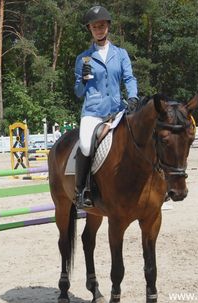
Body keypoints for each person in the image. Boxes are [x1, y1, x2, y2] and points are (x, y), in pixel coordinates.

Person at [73, 5, 139, 209]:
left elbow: (129, 78)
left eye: (102, 25)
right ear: (90, 30)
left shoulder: (120, 54)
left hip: (117, 110)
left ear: (108, 27)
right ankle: (82, 190)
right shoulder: (83, 58)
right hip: (93, 111)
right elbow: (78, 92)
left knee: (140, 138)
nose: (99, 29)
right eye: (94, 27)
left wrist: (133, 97)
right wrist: (83, 80)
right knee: (85, 145)